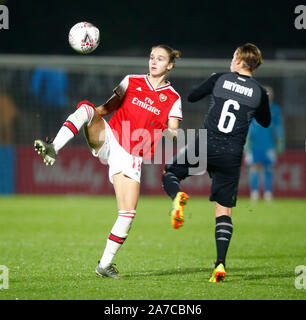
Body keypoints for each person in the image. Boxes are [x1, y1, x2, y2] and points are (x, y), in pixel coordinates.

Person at [34, 44, 183, 278]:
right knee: (86, 108)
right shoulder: (131, 81)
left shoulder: (173, 98)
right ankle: (54, 147)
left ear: (170, 65)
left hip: (132, 154)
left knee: (127, 214)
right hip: (110, 137)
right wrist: (91, 116)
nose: (153, 62)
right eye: (151, 57)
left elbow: (174, 132)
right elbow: (106, 108)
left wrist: (169, 131)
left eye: (160, 59)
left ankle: (104, 265)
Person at [162, 43, 271, 282]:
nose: (231, 60)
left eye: (234, 56)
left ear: (241, 61)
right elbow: (265, 122)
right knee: (224, 210)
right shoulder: (259, 92)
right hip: (231, 154)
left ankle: (177, 197)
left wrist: (212, 85)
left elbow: (191, 96)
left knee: (170, 174)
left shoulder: (220, 78)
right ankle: (220, 264)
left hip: (206, 144)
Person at [245, 86, 284, 201]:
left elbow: (278, 127)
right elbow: (249, 126)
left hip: (269, 145)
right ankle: (255, 192)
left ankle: (268, 193)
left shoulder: (275, 110)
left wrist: (281, 140)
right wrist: (247, 141)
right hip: (254, 145)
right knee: (254, 168)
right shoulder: (253, 108)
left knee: (268, 169)